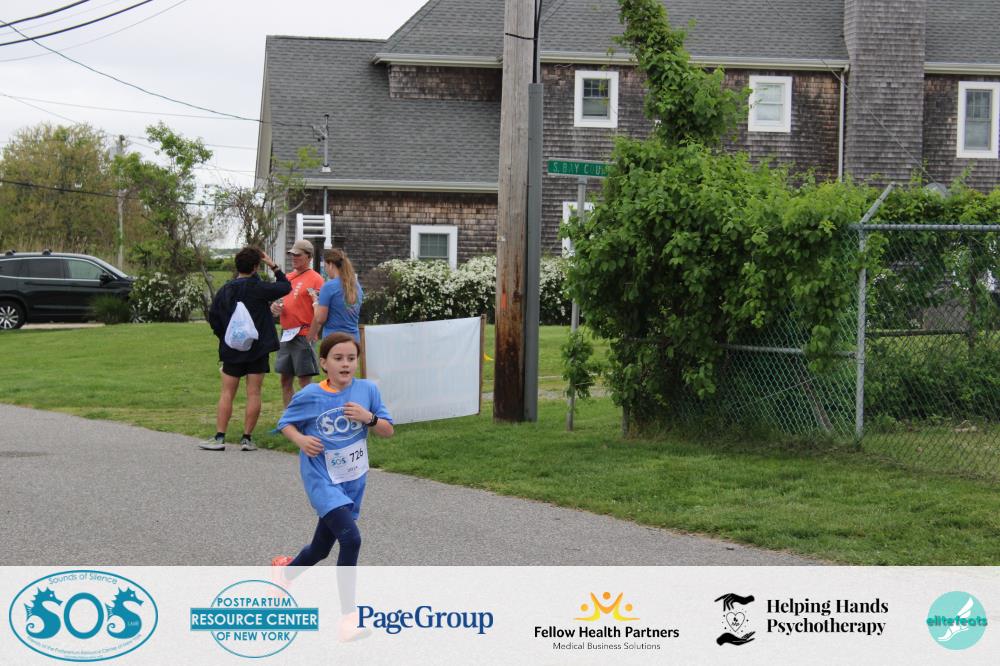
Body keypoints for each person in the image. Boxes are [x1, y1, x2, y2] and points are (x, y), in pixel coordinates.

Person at [272, 332, 393, 641]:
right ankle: (348, 619)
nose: (345, 364)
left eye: (351, 358)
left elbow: (387, 430)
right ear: (324, 363)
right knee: (351, 539)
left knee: (320, 549)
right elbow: (285, 423)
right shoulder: (311, 395)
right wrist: (301, 440)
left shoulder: (367, 390)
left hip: (352, 481)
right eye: (338, 358)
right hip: (321, 480)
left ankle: (286, 572)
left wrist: (368, 418)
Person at [202, 247, 290, 451]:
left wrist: (225, 337)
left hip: (232, 348)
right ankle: (246, 438)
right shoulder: (259, 288)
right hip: (257, 349)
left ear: (237, 266)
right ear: (256, 267)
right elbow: (285, 286)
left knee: (227, 393)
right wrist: (274, 266)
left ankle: (219, 436)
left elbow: (214, 317)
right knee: (254, 393)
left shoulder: (226, 290)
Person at [272, 239, 325, 406]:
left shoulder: (316, 279)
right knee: (285, 379)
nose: (293, 257)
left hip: (303, 335)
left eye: (298, 255)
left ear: (309, 256)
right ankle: (289, 416)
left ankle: (309, 415)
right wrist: (274, 307)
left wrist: (312, 335)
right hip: (286, 334)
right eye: (292, 254)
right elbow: (278, 301)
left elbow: (321, 310)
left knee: (304, 382)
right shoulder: (287, 278)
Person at [307, 248, 363, 344]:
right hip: (354, 340)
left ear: (331, 265)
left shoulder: (328, 286)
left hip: (334, 340)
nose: (325, 270)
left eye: (325, 266)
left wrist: (315, 301)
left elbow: (320, 319)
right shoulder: (357, 286)